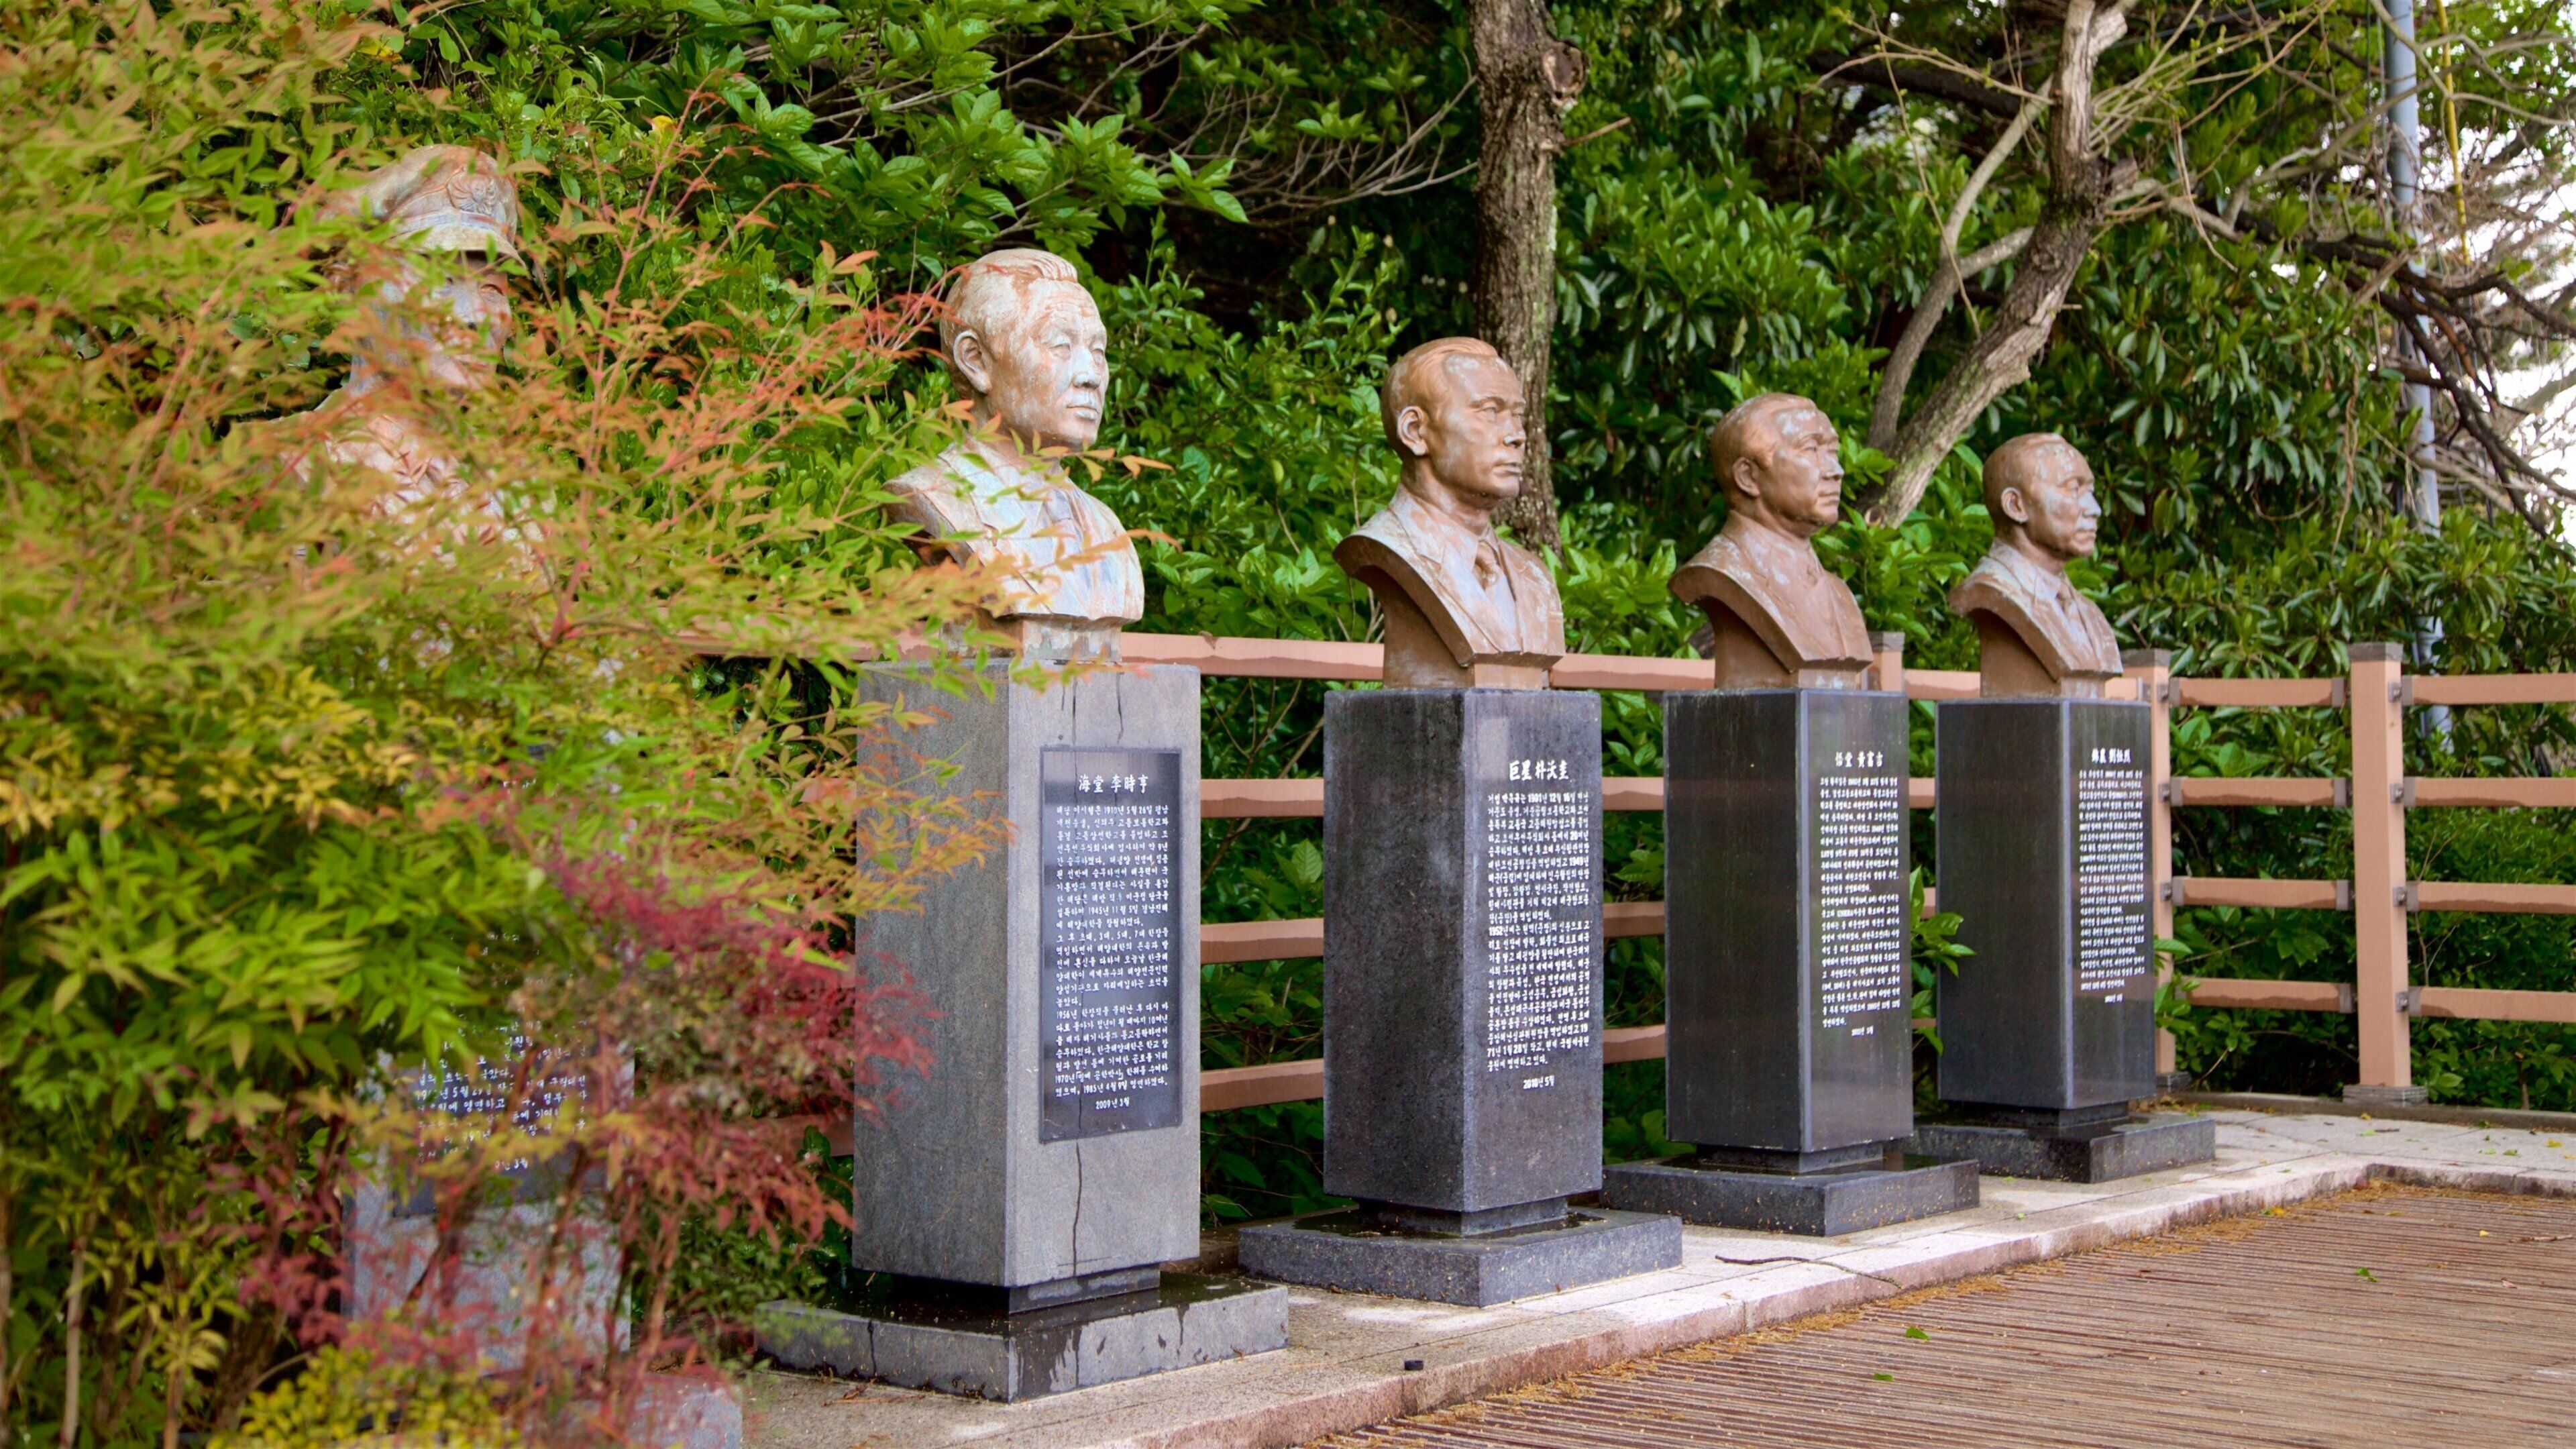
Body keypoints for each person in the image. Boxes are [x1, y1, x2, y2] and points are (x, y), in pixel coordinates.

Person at [890, 248, 1143, 659]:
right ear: (976, 361)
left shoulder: (1109, 531)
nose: (1091, 375)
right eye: (1061, 345)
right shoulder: (934, 498)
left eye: (1099, 351)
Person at [303, 146, 522, 522]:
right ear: (352, 293)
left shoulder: (519, 491)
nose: (475, 317)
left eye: (491, 289)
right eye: (440, 281)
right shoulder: (298, 469)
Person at [1334, 337, 1565, 689]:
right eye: (1490, 411)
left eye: (1517, 415)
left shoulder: (1535, 577)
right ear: (1416, 431)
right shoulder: (1386, 547)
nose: (1517, 436)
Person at [1669, 392, 1872, 688]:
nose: (1836, 471)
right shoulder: (1722, 571)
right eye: (1811, 449)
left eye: (1833, 452)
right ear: (1748, 477)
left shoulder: (1840, 595)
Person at [1949, 433, 2122, 697]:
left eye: (2090, 492)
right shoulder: (1992, 590)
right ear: (2016, 506)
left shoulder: (2090, 614)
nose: (2094, 509)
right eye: (2073, 490)